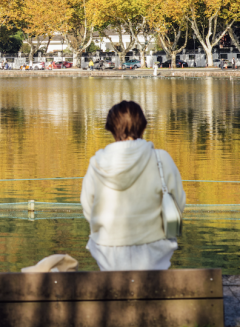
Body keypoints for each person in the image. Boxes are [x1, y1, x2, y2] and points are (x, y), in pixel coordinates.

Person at [80, 100, 186, 271]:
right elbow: (178, 204)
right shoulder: (161, 159)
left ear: (111, 129)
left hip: (109, 253)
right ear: (143, 127)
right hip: (155, 251)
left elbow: (87, 208)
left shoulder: (97, 163)